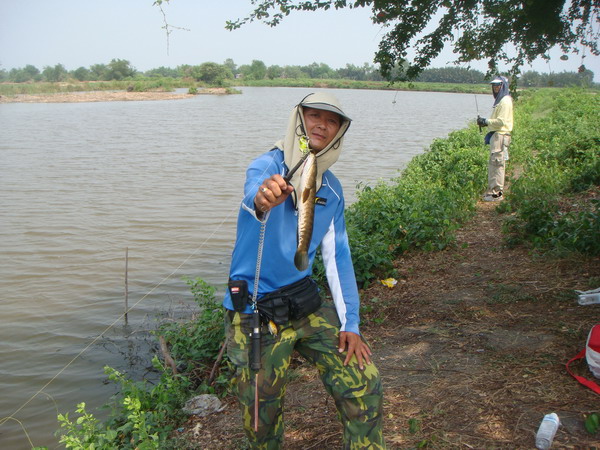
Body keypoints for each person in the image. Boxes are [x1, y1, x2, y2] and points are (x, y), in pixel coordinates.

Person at [222, 92, 385, 449]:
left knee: (364, 381)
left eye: (331, 121)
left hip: (303, 302)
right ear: (299, 120)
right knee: (260, 418)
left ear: (339, 131)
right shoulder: (267, 166)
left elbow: (338, 258)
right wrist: (264, 197)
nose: (321, 125)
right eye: (313, 116)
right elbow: (254, 195)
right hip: (255, 310)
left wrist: (351, 324)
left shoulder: (332, 189)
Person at [477, 76, 514, 202]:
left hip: (500, 136)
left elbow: (501, 121)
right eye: (494, 86)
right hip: (497, 135)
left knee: (498, 164)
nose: (496, 88)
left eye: (498, 85)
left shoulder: (504, 101)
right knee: (494, 163)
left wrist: (486, 121)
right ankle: (492, 192)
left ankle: (497, 194)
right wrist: (484, 123)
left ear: (504, 86)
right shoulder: (500, 101)